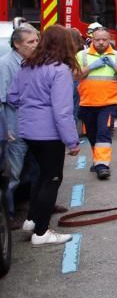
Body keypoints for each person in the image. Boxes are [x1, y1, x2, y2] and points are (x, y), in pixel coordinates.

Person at [7, 25, 81, 246]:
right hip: (49, 133)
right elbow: (62, 111)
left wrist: (32, 104)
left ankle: (32, 219)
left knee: (40, 177)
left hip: (28, 130)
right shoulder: (59, 70)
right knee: (52, 179)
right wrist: (72, 141)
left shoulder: (27, 66)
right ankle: (41, 232)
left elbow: (12, 97)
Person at [76, 27, 117, 180]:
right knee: (92, 135)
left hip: (108, 103)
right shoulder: (81, 56)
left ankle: (102, 166)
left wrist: (115, 66)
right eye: (97, 39)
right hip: (87, 103)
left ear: (109, 40)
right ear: (92, 40)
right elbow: (74, 75)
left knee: (103, 133)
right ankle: (97, 160)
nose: (101, 42)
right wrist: (91, 67)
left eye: (104, 39)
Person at [0, 25, 40, 223]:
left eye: (36, 41)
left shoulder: (31, 62)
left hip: (31, 127)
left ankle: (33, 207)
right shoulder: (6, 64)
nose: (35, 45)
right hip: (15, 129)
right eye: (30, 42)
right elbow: (2, 99)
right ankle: (8, 216)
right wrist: (5, 129)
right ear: (17, 44)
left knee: (33, 171)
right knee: (13, 175)